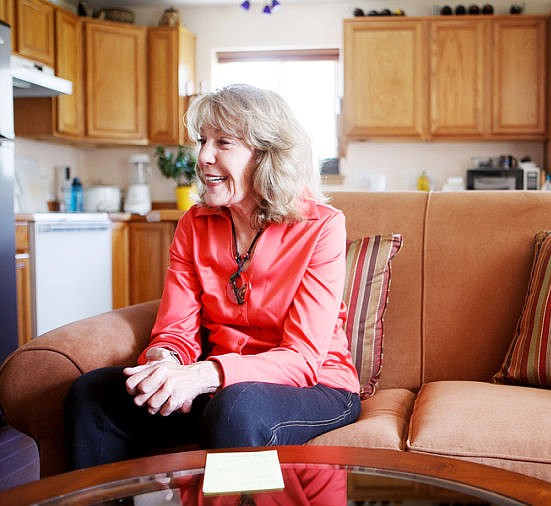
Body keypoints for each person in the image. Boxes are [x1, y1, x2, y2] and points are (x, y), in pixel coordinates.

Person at [64, 84, 361, 470]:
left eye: (223, 142)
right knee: (93, 395)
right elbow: (175, 330)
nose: (203, 157)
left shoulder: (321, 226)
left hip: (316, 385)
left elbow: (301, 358)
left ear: (266, 155)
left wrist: (203, 375)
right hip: (218, 385)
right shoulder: (194, 224)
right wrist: (165, 363)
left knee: (235, 410)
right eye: (203, 141)